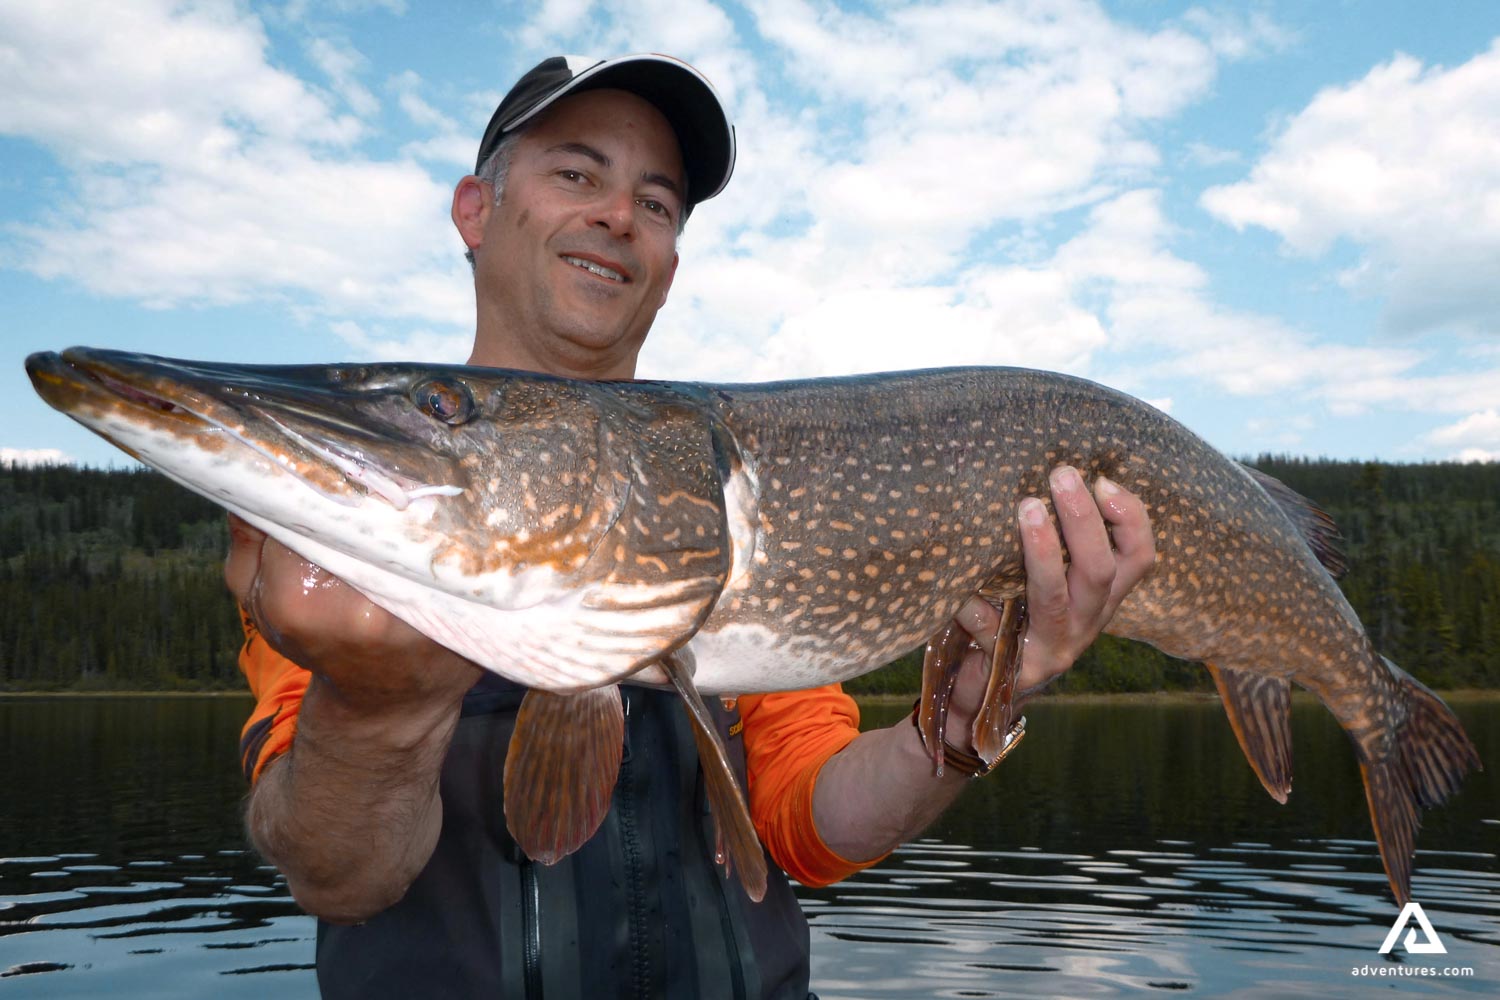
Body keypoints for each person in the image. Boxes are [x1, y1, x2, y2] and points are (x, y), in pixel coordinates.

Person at [225, 54, 1156, 999]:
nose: (619, 216)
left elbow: (805, 819)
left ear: (667, 268)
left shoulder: (731, 501)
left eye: (657, 204)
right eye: (577, 174)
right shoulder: (368, 512)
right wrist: (378, 704)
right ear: (476, 210)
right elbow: (339, 875)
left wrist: (955, 728)